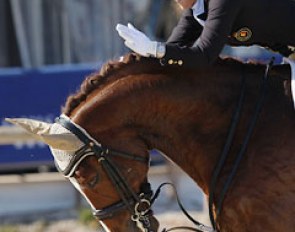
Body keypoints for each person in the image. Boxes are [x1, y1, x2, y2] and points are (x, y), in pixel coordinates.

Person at [116, 0, 295, 68]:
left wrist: (156, 48)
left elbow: (205, 55)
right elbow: (172, 51)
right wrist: (136, 62)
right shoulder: (195, 12)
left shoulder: (222, 3)